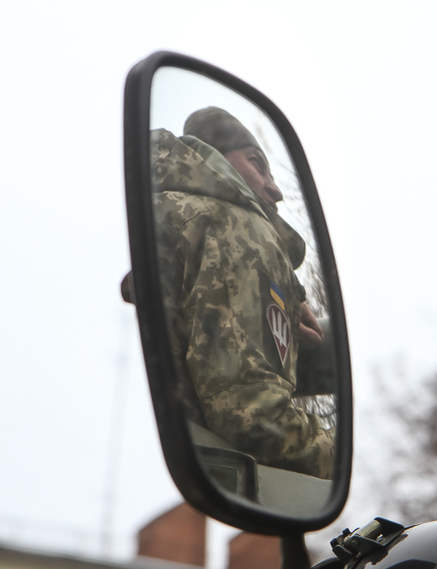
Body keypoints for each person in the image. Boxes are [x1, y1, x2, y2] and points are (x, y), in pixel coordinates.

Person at [138, 107, 334, 479]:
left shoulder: (180, 215)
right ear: (213, 158)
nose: (275, 189)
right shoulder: (237, 226)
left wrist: (288, 290)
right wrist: (343, 457)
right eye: (258, 164)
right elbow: (252, 417)